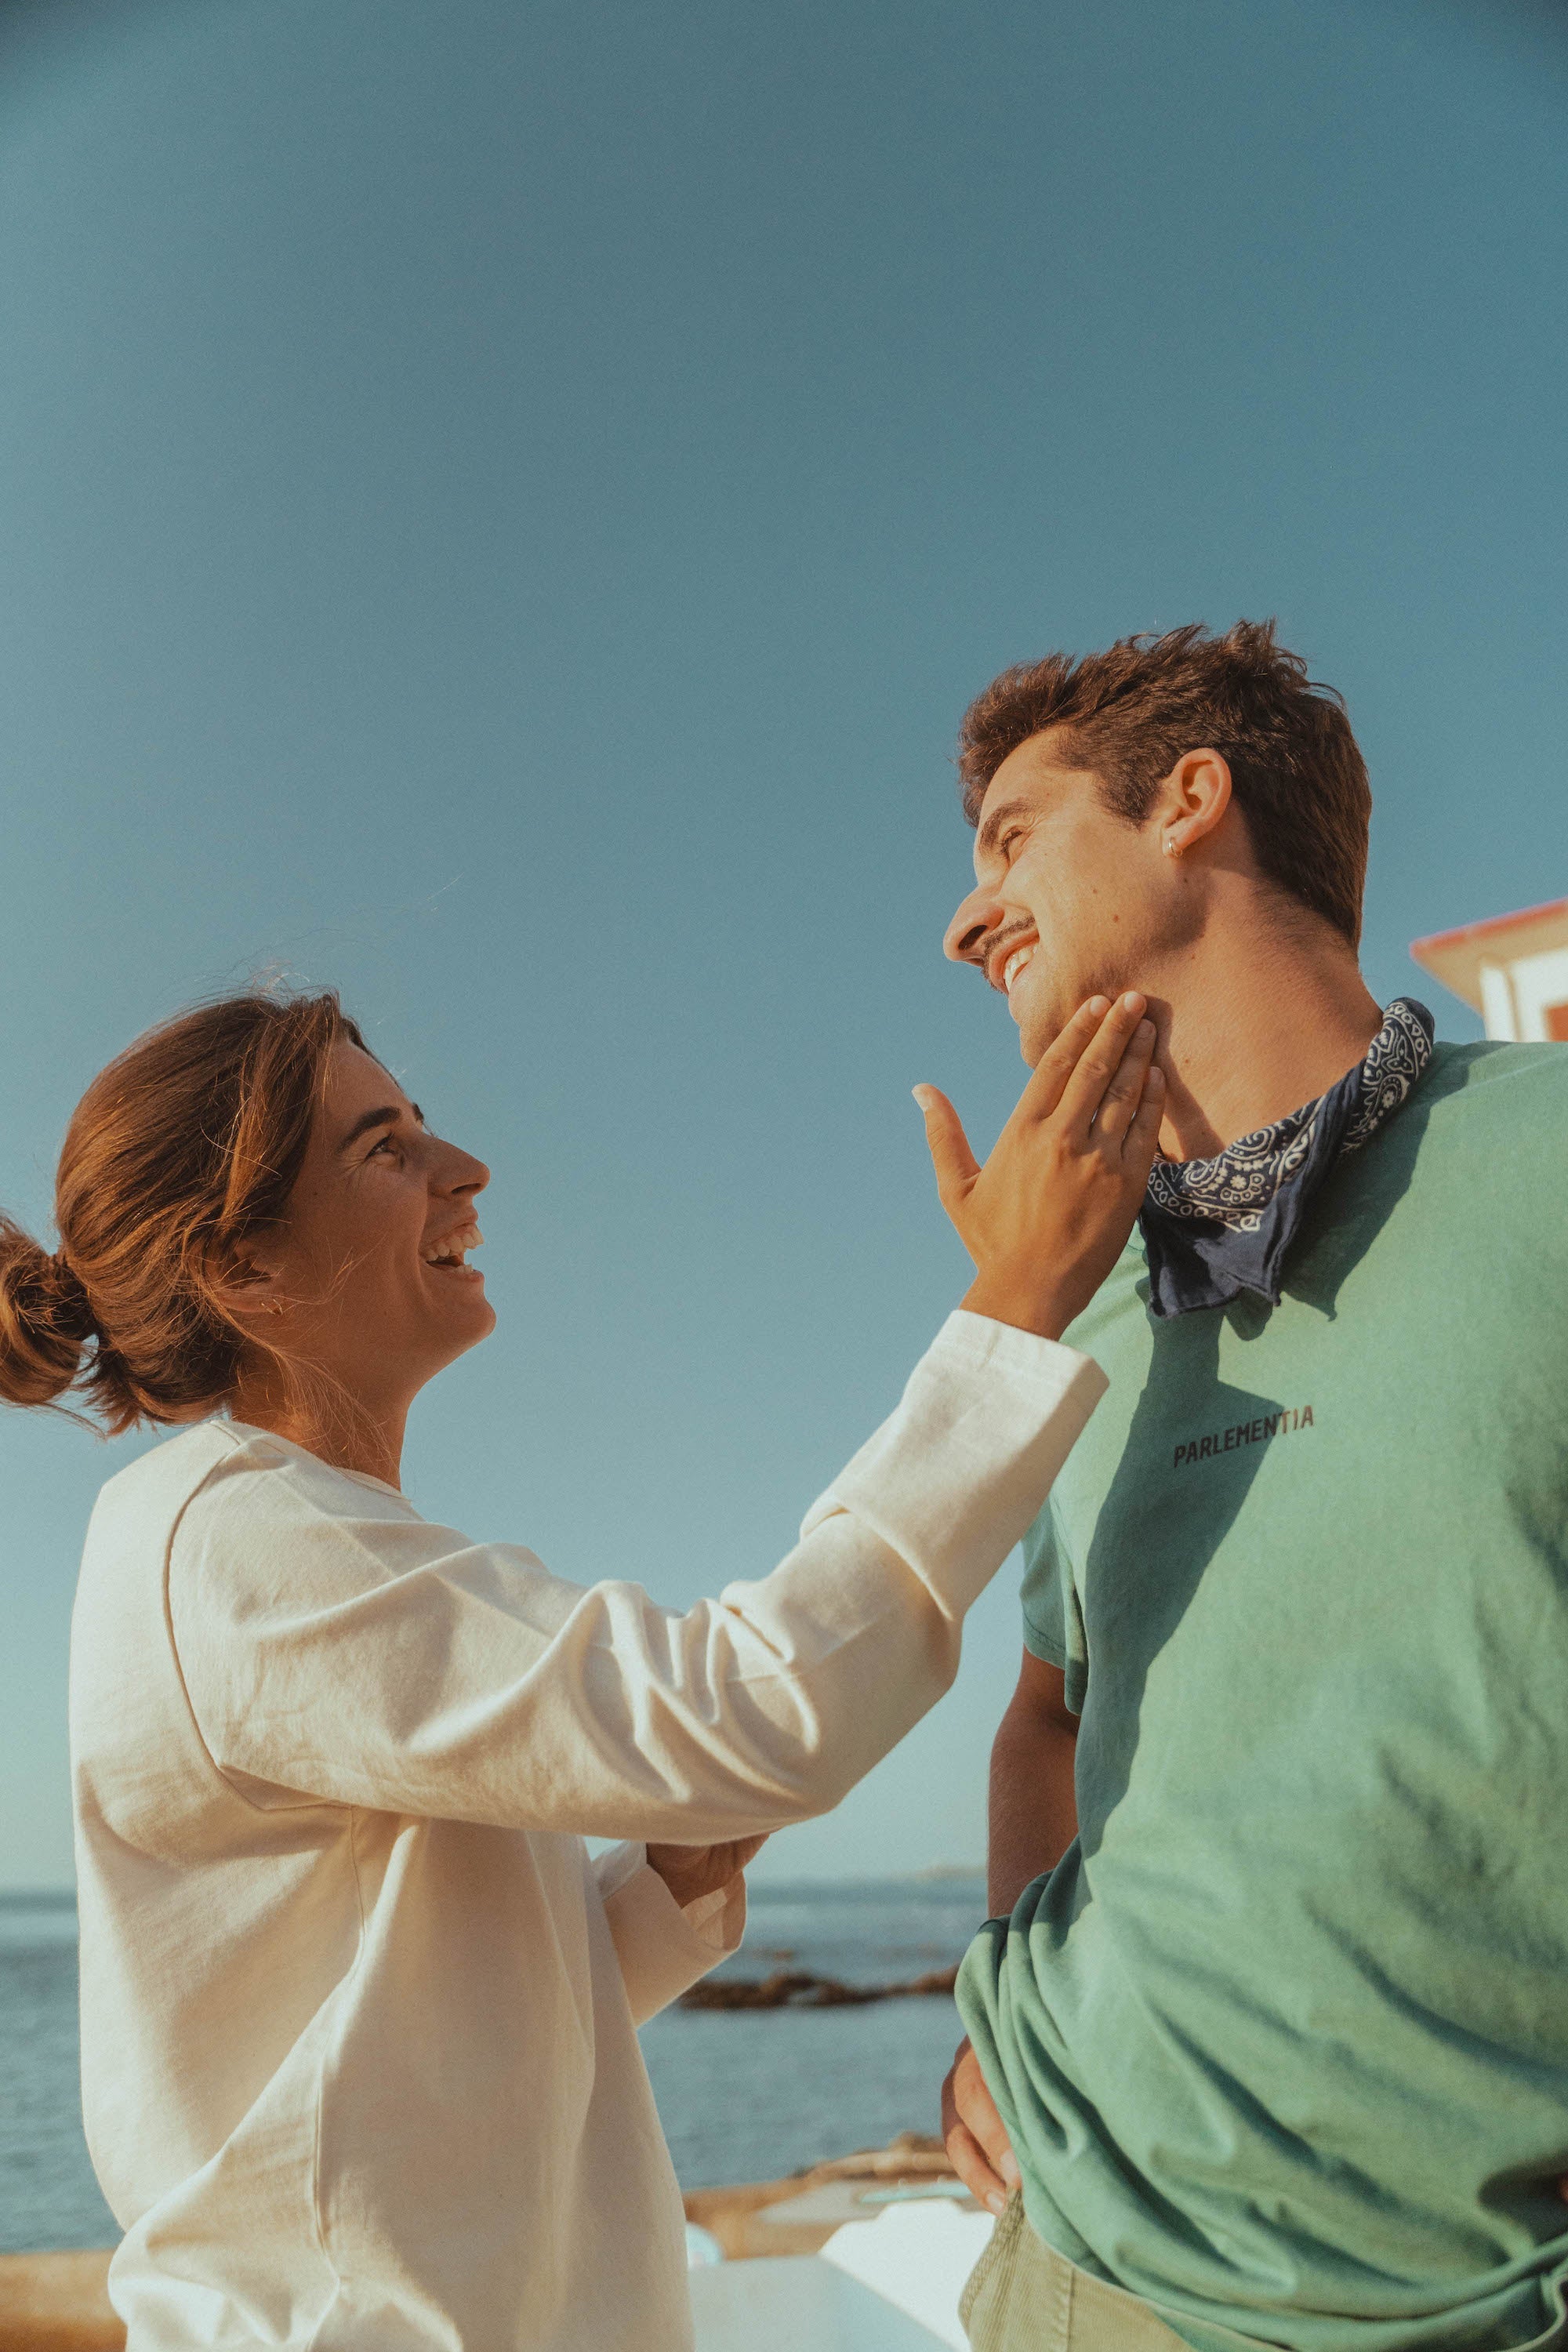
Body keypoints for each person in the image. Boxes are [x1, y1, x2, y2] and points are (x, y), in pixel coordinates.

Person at [0, 982, 1161, 2352]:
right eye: (384, 1147)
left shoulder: (291, 1537)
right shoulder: (235, 1538)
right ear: (240, 1269)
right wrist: (1018, 1304)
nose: (465, 1167)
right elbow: (756, 1709)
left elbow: (440, 2051)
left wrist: (667, 1886)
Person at [935, 619, 1568, 2352]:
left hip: (1486, 2305)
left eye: (1010, 839)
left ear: (1188, 805)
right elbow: (1044, 1721)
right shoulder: (1086, 1298)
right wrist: (1004, 2014)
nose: (964, 917)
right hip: (1080, 2279)